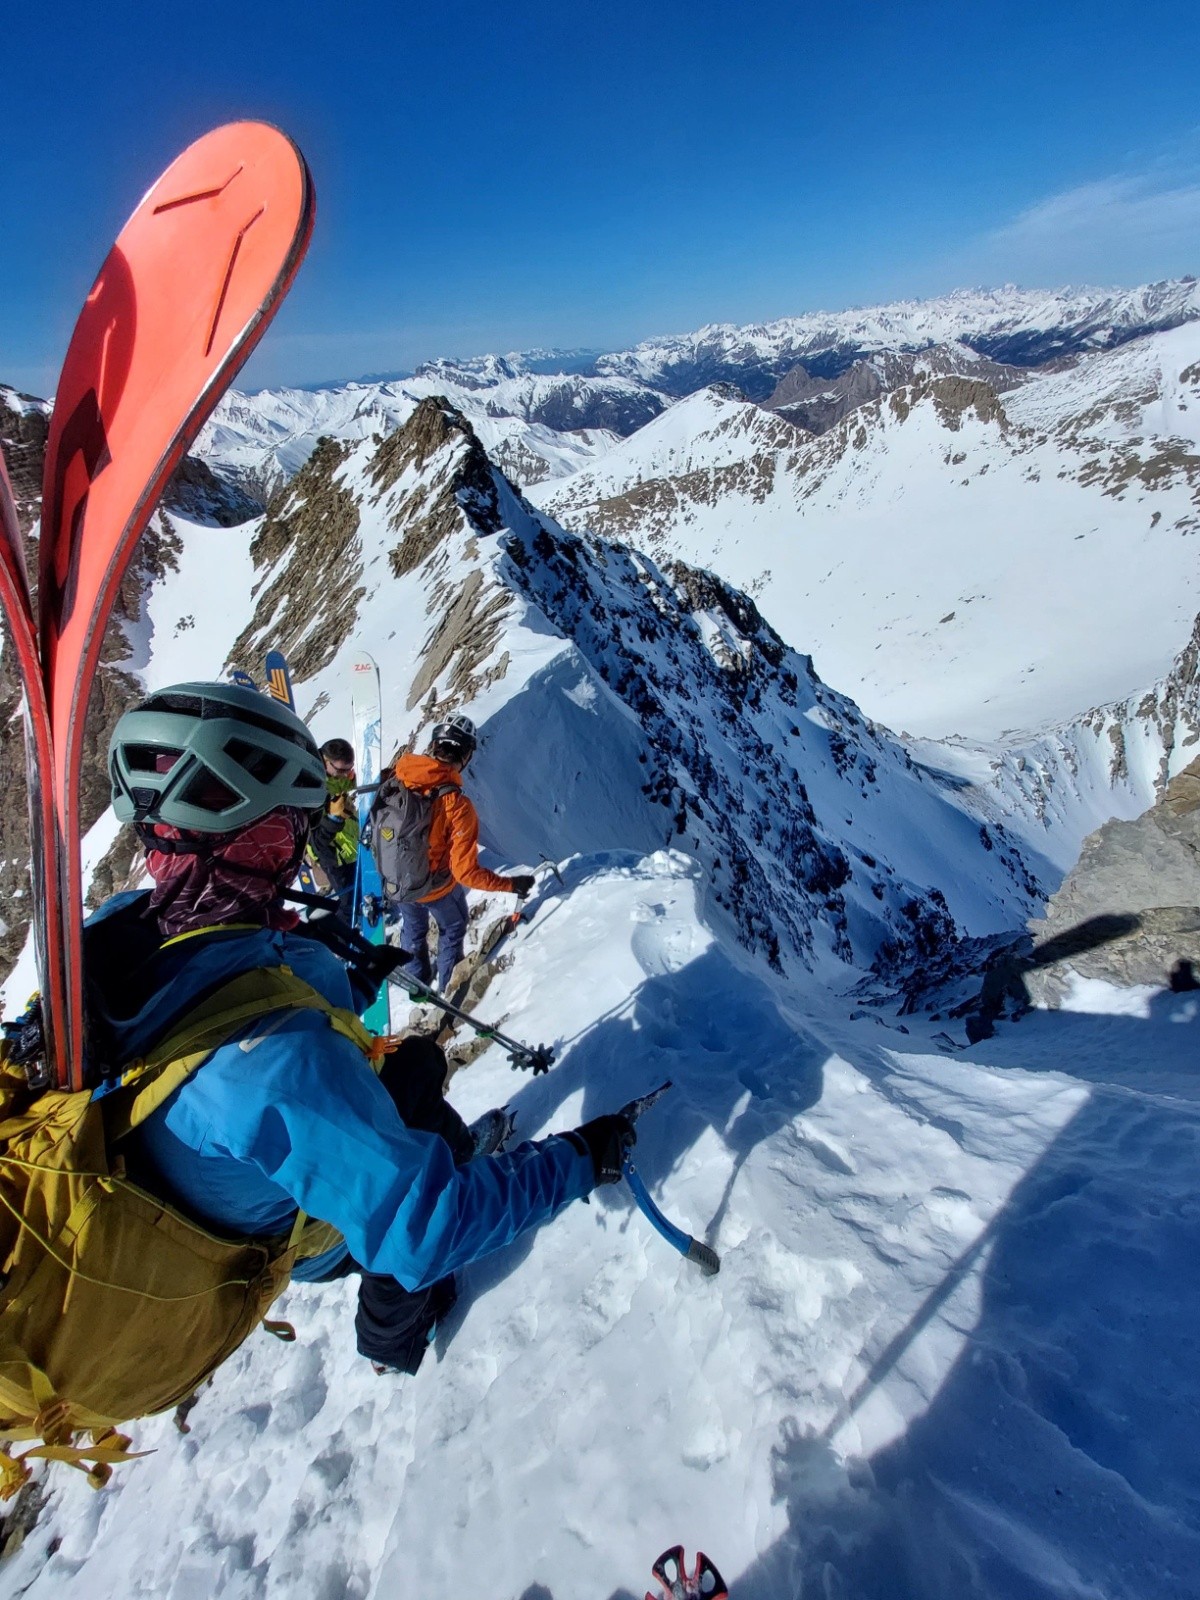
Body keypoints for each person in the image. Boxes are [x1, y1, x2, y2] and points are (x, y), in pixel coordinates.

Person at [102, 681, 635, 1375]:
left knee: (412, 1068)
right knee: (423, 1113)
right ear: (264, 838)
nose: (299, 848)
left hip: (202, 1183)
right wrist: (582, 1158)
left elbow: (219, 994)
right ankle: (397, 1335)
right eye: (291, 830)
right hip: (289, 1232)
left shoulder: (124, 928)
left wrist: (339, 975)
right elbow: (430, 1226)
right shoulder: (271, 1062)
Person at [389, 714, 535, 992]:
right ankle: (448, 988)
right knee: (453, 927)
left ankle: (415, 981)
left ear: (433, 745)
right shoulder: (456, 805)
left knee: (413, 927)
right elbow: (465, 873)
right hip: (435, 887)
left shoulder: (400, 776)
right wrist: (511, 884)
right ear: (465, 756)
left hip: (398, 879)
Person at [306, 736, 360, 917]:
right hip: (333, 857)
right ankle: (342, 939)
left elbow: (346, 782)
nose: (345, 774)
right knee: (348, 904)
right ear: (325, 760)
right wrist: (334, 819)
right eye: (341, 770)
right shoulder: (309, 786)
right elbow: (316, 841)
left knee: (360, 893)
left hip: (352, 849)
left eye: (349, 770)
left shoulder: (334, 775)